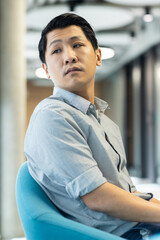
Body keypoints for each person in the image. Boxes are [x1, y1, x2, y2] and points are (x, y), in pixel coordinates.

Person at [24, 13, 160, 239]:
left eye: (77, 45)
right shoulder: (53, 117)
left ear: (98, 56)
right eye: (57, 50)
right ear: (46, 69)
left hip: (139, 226)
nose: (69, 57)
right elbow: (98, 198)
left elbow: (129, 192)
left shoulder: (105, 122)